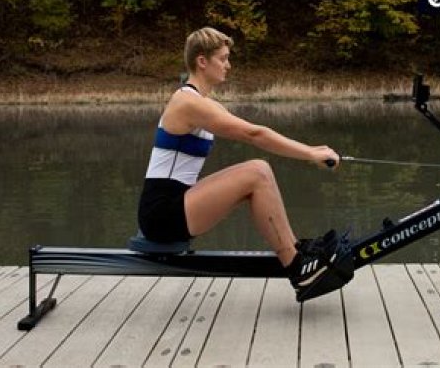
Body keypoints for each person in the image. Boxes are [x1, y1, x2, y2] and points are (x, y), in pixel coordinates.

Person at [137, 27, 348, 301]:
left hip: (177, 203)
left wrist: (314, 150)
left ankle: (295, 250)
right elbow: (254, 134)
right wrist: (310, 154)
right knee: (258, 171)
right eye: (223, 58)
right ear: (202, 61)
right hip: (161, 213)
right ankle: (298, 268)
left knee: (258, 175)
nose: (228, 65)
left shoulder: (205, 103)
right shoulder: (188, 102)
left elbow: (253, 129)